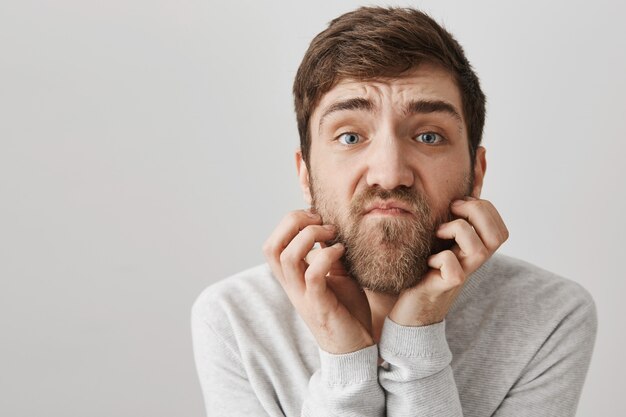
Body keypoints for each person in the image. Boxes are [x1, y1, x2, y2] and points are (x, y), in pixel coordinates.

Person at [191, 6, 597, 416]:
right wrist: (344, 363)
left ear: (477, 173)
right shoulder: (234, 320)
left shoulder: (550, 316)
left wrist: (417, 336)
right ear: (306, 175)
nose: (388, 175)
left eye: (428, 135)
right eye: (350, 136)